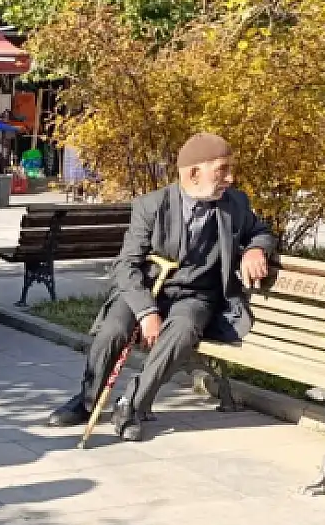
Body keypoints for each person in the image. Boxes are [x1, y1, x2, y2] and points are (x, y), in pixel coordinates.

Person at [48, 133, 276, 440]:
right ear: (194, 173)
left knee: (181, 331)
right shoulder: (152, 206)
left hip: (195, 296)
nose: (230, 178)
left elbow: (260, 231)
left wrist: (255, 249)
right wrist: (145, 312)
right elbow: (126, 265)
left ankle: (132, 405)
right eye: (222, 170)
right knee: (114, 330)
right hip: (147, 289)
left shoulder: (234, 204)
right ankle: (88, 401)